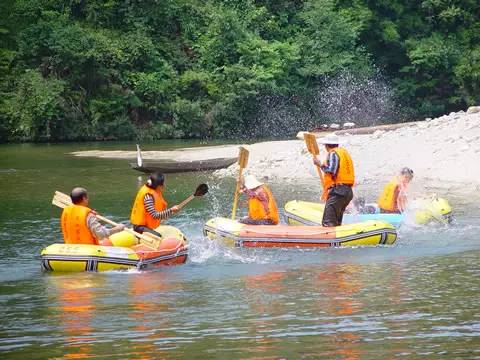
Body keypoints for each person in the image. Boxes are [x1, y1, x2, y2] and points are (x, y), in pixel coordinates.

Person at [313, 133, 355, 227]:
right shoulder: (344, 153)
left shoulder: (333, 153)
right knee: (336, 222)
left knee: (328, 222)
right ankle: (338, 239)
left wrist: (319, 164)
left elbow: (332, 170)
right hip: (347, 192)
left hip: (338, 192)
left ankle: (328, 239)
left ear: (326, 145)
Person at [130, 172, 180, 236]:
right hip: (139, 228)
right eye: (163, 183)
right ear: (159, 185)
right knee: (158, 236)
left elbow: (163, 216)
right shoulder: (148, 197)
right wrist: (171, 210)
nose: (164, 184)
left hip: (146, 226)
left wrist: (173, 211)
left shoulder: (156, 192)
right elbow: (155, 215)